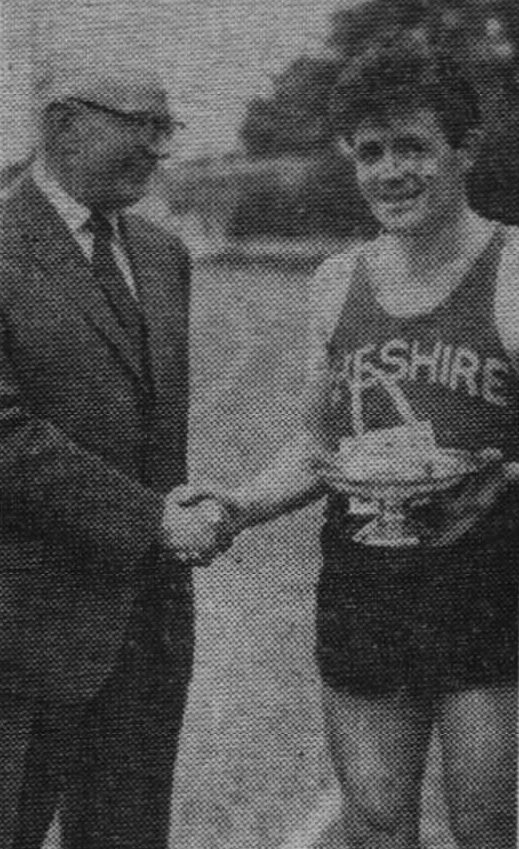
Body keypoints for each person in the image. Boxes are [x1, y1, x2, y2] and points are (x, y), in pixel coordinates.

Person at [183, 42, 518, 848]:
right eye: (370, 152)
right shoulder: (336, 281)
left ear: (464, 149)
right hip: (366, 580)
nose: (389, 172)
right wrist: (240, 504)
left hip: (487, 582)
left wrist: (500, 476)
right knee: (373, 822)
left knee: (485, 823)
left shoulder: (511, 268)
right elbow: (320, 441)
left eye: (413, 148)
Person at [0, 62, 231, 848]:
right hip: (21, 643)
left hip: (148, 636)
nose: (159, 150)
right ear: (64, 123)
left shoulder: (166, 255)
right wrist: (153, 523)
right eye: (143, 126)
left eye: (168, 129)